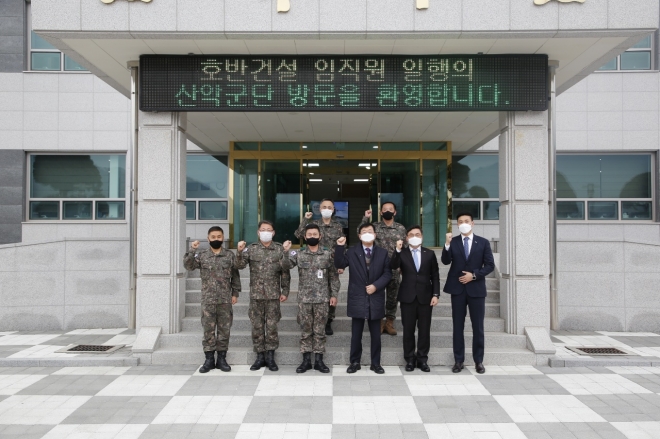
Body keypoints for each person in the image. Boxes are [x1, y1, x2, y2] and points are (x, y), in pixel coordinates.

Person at [334, 224, 392, 374]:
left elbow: (387, 274)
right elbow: (339, 264)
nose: (367, 234)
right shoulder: (352, 251)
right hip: (357, 297)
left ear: (375, 234)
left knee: (376, 335)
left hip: (375, 297)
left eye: (370, 231)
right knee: (356, 334)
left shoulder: (383, 253)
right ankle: (354, 362)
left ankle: (376, 363)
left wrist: (376, 286)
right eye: (364, 232)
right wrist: (340, 247)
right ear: (359, 236)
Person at [441, 212, 495, 375]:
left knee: (477, 326)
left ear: (473, 223)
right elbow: (445, 260)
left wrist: (474, 275)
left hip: (476, 289)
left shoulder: (483, 242)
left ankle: (478, 361)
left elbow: (490, 265)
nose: (463, 223)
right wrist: (447, 244)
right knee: (458, 326)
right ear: (457, 225)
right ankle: (459, 360)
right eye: (460, 222)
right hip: (457, 289)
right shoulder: (454, 241)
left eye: (466, 221)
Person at [282, 224, 339, 373]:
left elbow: (333, 277)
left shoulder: (327, 254)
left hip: (322, 299)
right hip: (305, 299)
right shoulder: (298, 254)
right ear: (305, 237)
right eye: (309, 235)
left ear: (320, 237)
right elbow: (285, 266)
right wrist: (286, 252)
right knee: (306, 330)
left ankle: (319, 361)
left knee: (320, 330)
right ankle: (306, 360)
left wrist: (334, 294)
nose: (312, 237)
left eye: (315, 234)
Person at [183, 226, 241, 373]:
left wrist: (235, 293)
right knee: (208, 330)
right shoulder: (202, 255)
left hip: (225, 299)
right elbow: (188, 266)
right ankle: (209, 359)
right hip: (208, 300)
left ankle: (222, 359)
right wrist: (192, 250)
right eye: (213, 237)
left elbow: (235, 276)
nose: (216, 239)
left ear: (223, 238)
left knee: (224, 329)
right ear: (208, 239)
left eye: (219, 237)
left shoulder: (229, 255)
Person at [235, 220, 291, 372]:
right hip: (256, 296)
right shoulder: (251, 249)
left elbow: (285, 272)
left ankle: (271, 357)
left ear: (273, 233)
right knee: (257, 326)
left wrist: (285, 291)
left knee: (272, 326)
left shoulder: (279, 249)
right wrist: (239, 252)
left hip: (273, 295)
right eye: (263, 229)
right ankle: (260, 356)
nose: (266, 232)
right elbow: (239, 265)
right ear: (258, 232)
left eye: (269, 230)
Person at [390, 225, 440, 372]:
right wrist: (397, 250)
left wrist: (435, 294)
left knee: (424, 330)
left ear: (422, 236)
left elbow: (435, 276)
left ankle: (422, 359)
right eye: (411, 234)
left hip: (426, 297)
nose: (414, 236)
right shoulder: (402, 253)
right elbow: (393, 265)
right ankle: (410, 359)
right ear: (406, 237)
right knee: (408, 330)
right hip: (407, 297)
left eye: (417, 234)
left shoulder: (429, 254)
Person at [294, 198, 345, 336]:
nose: (327, 209)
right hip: (314, 262)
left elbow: (342, 245)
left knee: (331, 290)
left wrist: (341, 264)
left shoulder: (338, 226)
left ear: (333, 209)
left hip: (332, 264)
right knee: (319, 291)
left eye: (329, 206)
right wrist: (305, 220)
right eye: (324, 207)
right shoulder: (314, 224)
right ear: (320, 209)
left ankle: (328, 320)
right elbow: (298, 234)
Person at [361, 202, 407, 336]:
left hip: (394, 267)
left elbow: (405, 249)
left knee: (393, 297)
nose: (387, 211)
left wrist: (403, 266)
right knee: (377, 296)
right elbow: (361, 232)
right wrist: (365, 219)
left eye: (390, 209)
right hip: (377, 268)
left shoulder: (400, 228)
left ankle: (390, 322)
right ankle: (379, 322)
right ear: (381, 212)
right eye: (385, 209)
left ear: (395, 212)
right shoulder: (374, 227)